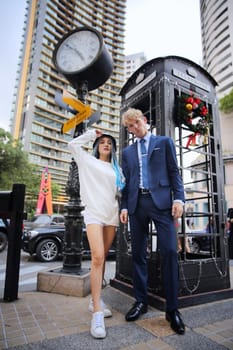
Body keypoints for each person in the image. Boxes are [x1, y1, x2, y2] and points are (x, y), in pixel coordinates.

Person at [119, 108, 185, 335]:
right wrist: (124, 206)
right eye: (129, 127)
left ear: (144, 121)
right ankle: (140, 301)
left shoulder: (164, 142)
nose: (134, 129)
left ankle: (172, 309)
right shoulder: (127, 152)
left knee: (169, 251)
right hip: (137, 205)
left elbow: (174, 172)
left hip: (162, 204)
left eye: (136, 123)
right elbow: (126, 183)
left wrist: (179, 199)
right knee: (138, 253)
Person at [68, 128, 124, 339]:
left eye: (110, 142)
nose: (106, 144)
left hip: (112, 216)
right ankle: (97, 315)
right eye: (103, 141)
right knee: (98, 257)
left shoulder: (117, 169)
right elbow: (72, 145)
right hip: (93, 214)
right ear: (97, 145)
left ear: (113, 148)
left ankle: (94, 300)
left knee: (101, 261)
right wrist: (93, 133)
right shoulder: (87, 161)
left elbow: (120, 193)